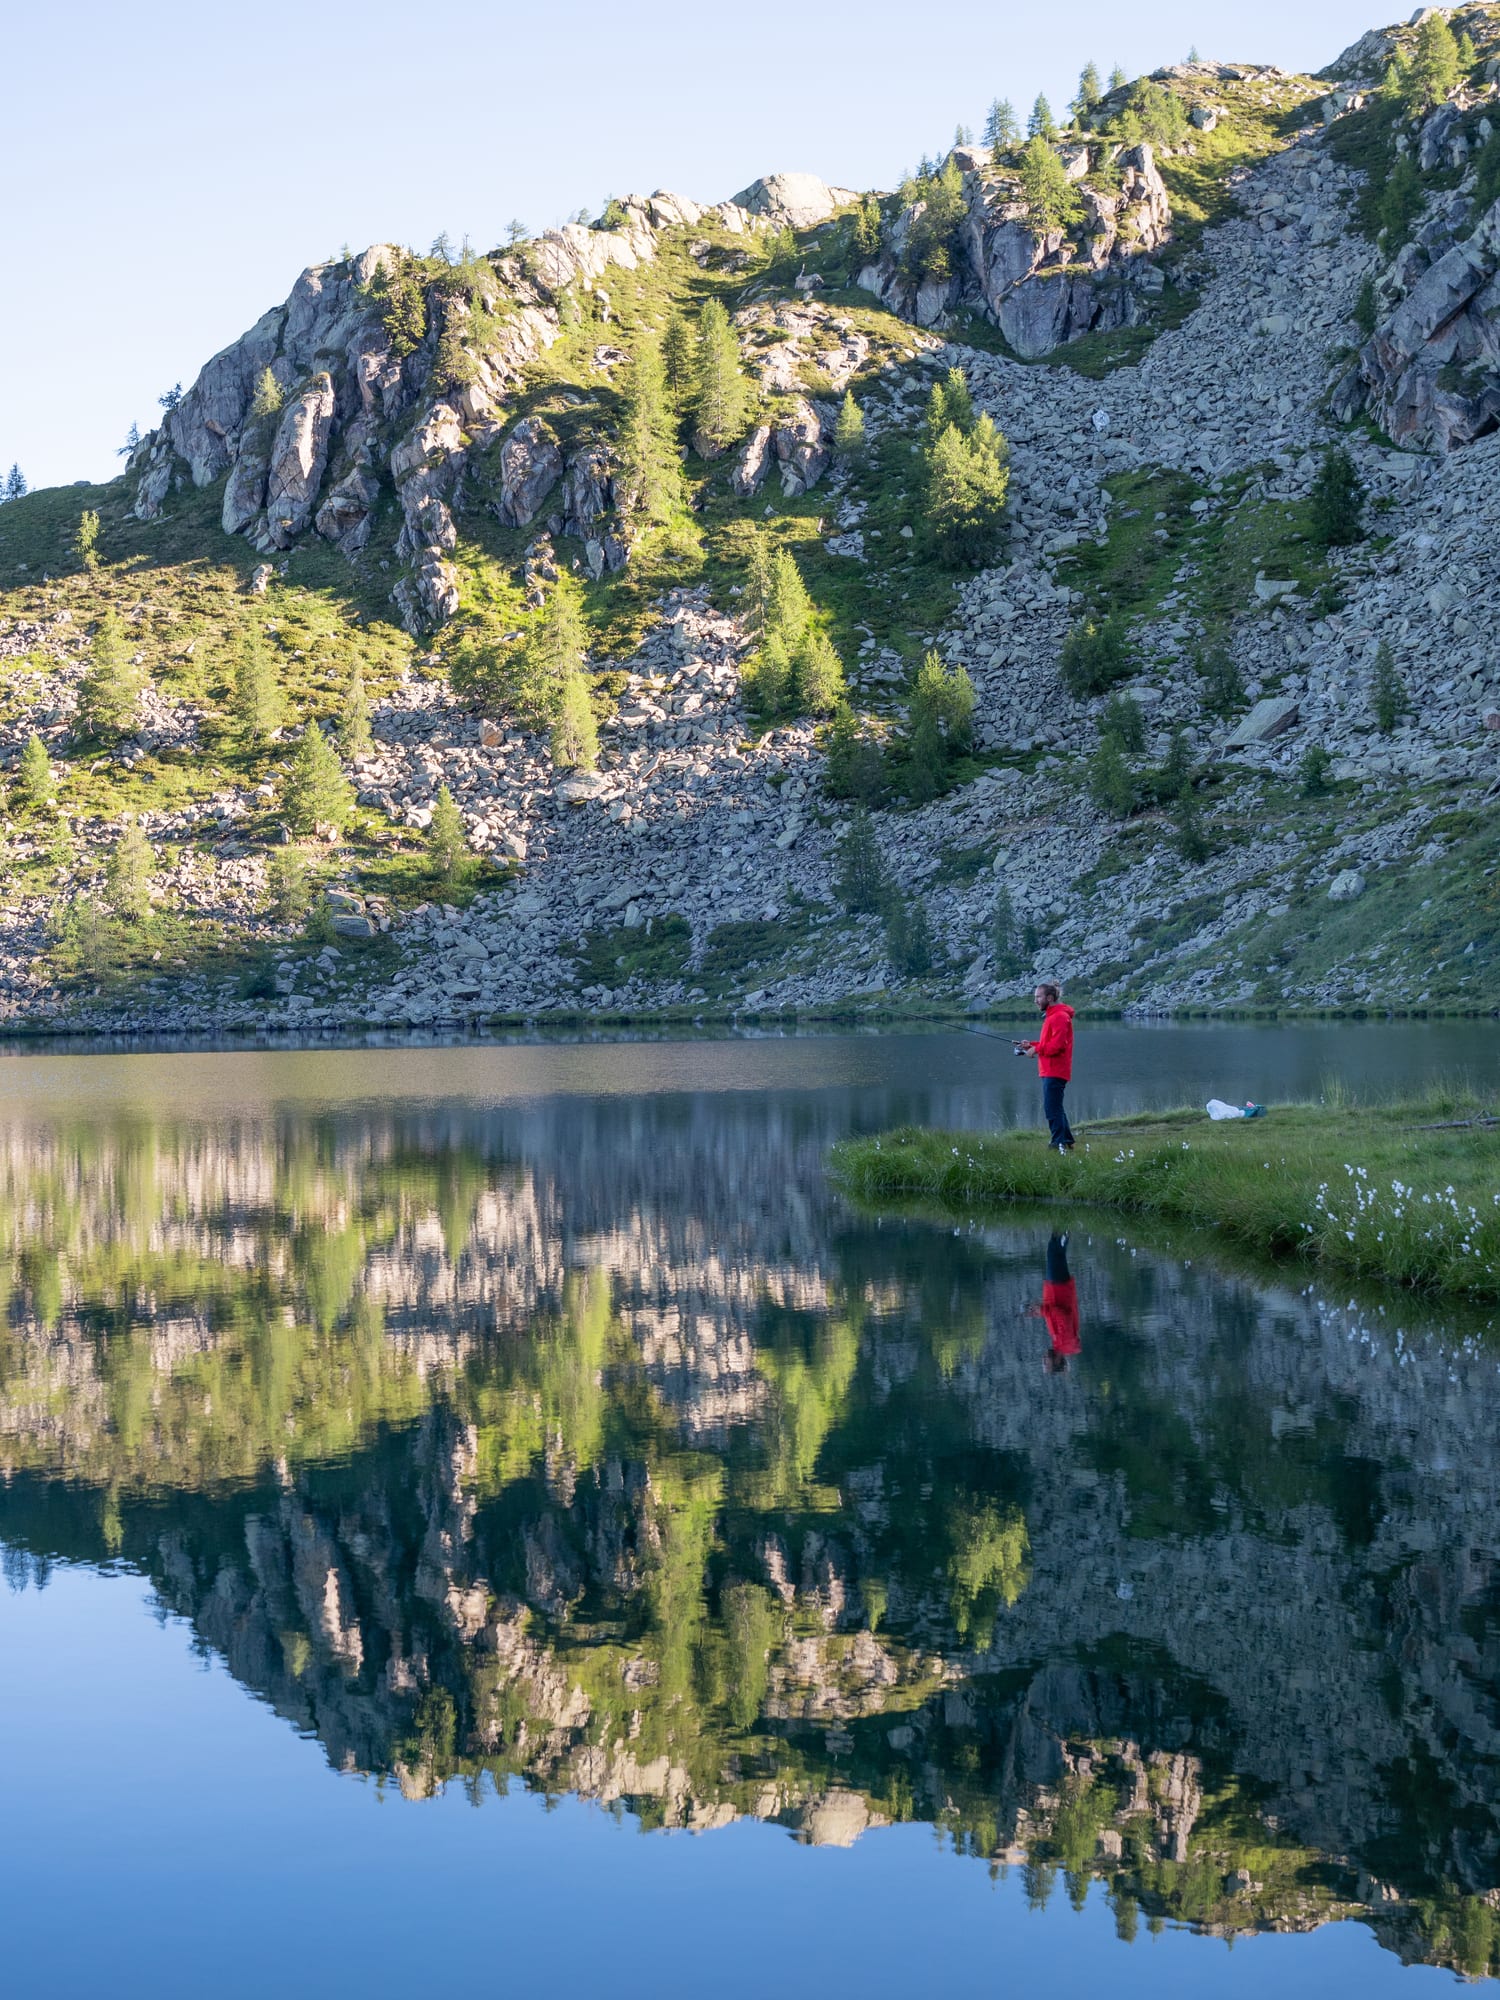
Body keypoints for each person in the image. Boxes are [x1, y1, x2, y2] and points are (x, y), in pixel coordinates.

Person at [1018, 982, 1075, 1151]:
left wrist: (1036, 1049)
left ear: (1049, 998)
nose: (1035, 1000)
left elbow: (1057, 1046)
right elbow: (1048, 1043)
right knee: (1055, 1106)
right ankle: (1066, 1140)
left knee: (1052, 1108)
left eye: (1038, 997)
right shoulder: (1053, 1015)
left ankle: (1057, 1144)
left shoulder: (1059, 1017)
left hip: (1055, 1070)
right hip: (1050, 1069)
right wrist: (1031, 1045)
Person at [1027, 1231, 1080, 1374]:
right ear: (1057, 1361)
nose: (1043, 1359)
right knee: (1053, 1251)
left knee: (1056, 1251)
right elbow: (1064, 1316)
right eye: (1046, 1363)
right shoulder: (1066, 1342)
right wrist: (1043, 1311)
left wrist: (1040, 1312)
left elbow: (1056, 1316)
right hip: (1059, 1289)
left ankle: (1062, 1225)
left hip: (1057, 1290)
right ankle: (1066, 1229)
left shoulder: (1059, 1343)